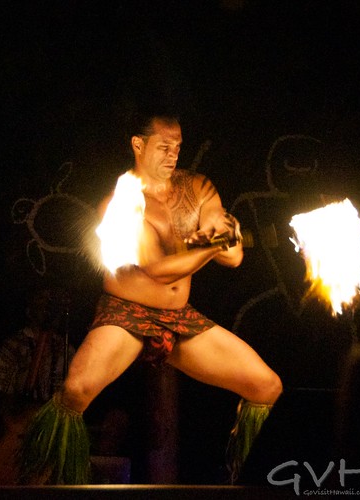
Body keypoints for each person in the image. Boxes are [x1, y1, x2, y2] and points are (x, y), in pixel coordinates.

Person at [19, 112, 283, 485]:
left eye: (177, 146)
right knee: (76, 392)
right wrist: (212, 248)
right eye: (164, 146)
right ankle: (38, 484)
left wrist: (221, 236)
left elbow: (233, 255)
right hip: (126, 313)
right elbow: (158, 270)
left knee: (265, 385)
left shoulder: (199, 187)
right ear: (138, 145)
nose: (173, 154)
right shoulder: (123, 202)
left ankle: (256, 483)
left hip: (179, 318)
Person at [0, 286, 74, 485]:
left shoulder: (65, 349)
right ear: (30, 310)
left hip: (50, 422)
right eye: (42, 300)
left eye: (51, 301)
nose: (48, 306)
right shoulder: (15, 344)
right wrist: (16, 422)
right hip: (17, 419)